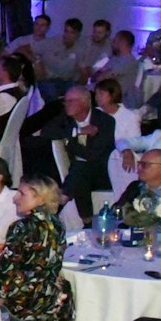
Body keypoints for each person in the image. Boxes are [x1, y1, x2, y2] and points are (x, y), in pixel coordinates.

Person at [0, 174, 74, 321]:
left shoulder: (22, 227)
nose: (15, 198)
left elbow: (8, 269)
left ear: (40, 199)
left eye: (22, 194)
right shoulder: (58, 225)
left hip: (24, 301)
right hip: (52, 298)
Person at [28, 87, 116, 222]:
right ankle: (86, 220)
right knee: (80, 175)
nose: (66, 105)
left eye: (71, 101)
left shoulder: (105, 121)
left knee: (81, 168)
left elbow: (93, 155)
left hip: (101, 172)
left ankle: (62, 199)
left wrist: (70, 144)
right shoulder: (66, 117)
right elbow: (46, 132)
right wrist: (78, 131)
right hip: (78, 174)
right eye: (65, 101)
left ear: (85, 102)